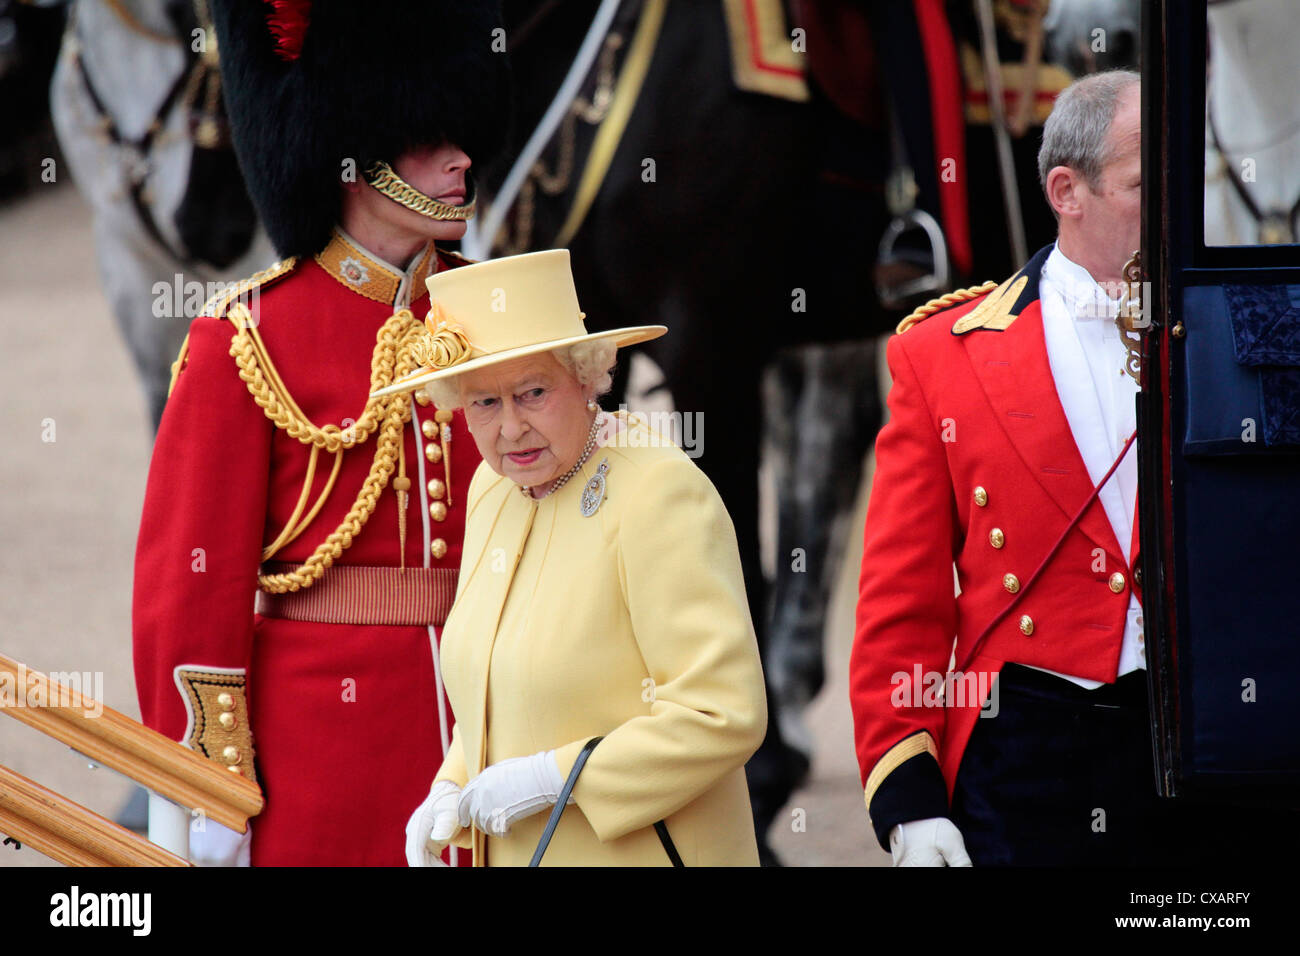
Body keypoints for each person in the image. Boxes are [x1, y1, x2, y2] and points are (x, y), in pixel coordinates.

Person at [131, 0, 509, 865]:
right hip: (327, 751)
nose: (463, 159)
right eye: (428, 136)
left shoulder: (499, 309)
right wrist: (209, 783)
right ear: (354, 151)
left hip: (499, 726)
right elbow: (192, 591)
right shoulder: (244, 338)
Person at [849, 70, 1187, 866]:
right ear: (1067, 191)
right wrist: (908, 798)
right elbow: (904, 598)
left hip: (1200, 745)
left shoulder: (1237, 329)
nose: (1176, 208)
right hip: (1025, 758)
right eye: (1147, 185)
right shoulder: (939, 356)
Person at [394, 249, 769, 866]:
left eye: (532, 392)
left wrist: (556, 777)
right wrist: (451, 784)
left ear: (587, 377)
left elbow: (722, 711)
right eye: (484, 403)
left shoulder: (656, 492)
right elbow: (493, 682)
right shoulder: (493, 491)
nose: (510, 428)